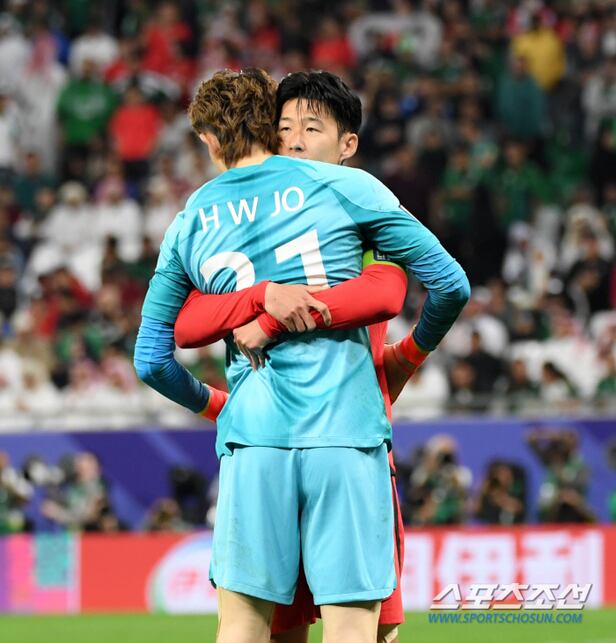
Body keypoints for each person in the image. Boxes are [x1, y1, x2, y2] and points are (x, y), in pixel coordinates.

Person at [134, 68, 469, 643]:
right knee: (357, 629)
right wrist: (409, 355)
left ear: (208, 139)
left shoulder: (190, 217)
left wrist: (221, 402)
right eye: (288, 126)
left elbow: (152, 358)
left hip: (254, 440)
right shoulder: (351, 191)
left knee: (244, 627)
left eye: (310, 128)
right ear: (269, 124)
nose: (295, 138)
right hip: (347, 438)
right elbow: (445, 285)